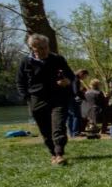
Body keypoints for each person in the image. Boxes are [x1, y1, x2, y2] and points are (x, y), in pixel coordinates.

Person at [16, 33, 75, 165]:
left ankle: (59, 153)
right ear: (32, 48)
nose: (44, 51)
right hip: (37, 99)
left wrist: (67, 81)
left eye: (45, 47)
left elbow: (71, 75)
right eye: (40, 48)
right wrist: (27, 98)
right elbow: (20, 82)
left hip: (58, 97)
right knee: (45, 129)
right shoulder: (25, 62)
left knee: (58, 126)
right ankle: (53, 154)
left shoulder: (58, 59)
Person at [67, 69, 88, 137]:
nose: (84, 78)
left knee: (70, 116)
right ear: (81, 74)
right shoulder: (76, 80)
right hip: (73, 99)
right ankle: (76, 132)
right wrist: (83, 97)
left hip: (67, 98)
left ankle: (71, 132)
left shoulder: (71, 78)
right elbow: (76, 91)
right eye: (85, 76)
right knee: (76, 115)